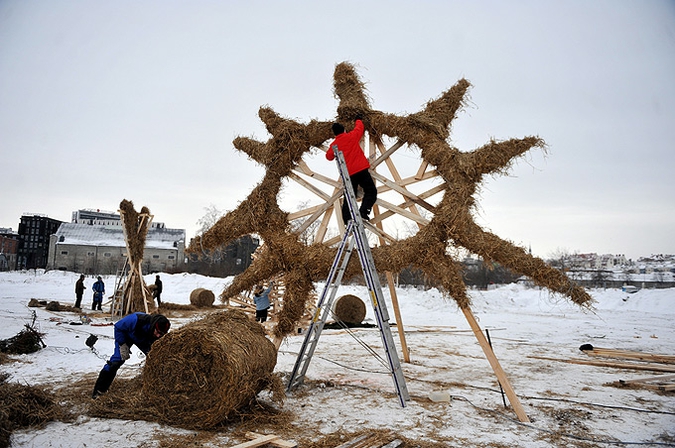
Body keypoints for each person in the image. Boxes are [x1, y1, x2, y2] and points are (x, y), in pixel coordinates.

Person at [92, 312, 170, 398]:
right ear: (154, 326)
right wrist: (122, 344)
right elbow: (118, 327)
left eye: (161, 334)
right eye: (158, 332)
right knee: (116, 362)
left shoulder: (159, 332)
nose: (158, 335)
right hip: (126, 335)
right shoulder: (135, 320)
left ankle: (158, 389)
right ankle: (99, 391)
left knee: (156, 360)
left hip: (143, 340)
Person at [325, 118, 377, 224]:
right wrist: (358, 119)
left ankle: (347, 219)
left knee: (349, 196)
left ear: (335, 134)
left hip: (349, 174)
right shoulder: (351, 136)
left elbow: (328, 157)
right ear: (344, 130)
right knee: (371, 191)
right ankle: (364, 212)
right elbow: (359, 128)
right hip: (361, 170)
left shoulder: (334, 145)